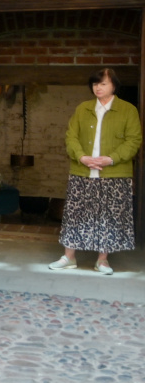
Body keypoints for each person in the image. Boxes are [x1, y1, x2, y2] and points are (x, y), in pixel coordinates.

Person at [49, 68, 141, 275]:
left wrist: (111, 158)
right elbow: (71, 136)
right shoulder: (83, 108)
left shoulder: (128, 110)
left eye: (103, 84)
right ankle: (69, 257)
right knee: (75, 214)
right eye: (95, 84)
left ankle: (102, 260)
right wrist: (82, 157)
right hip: (82, 171)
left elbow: (134, 140)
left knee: (109, 216)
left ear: (114, 86)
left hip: (115, 174)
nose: (98, 88)